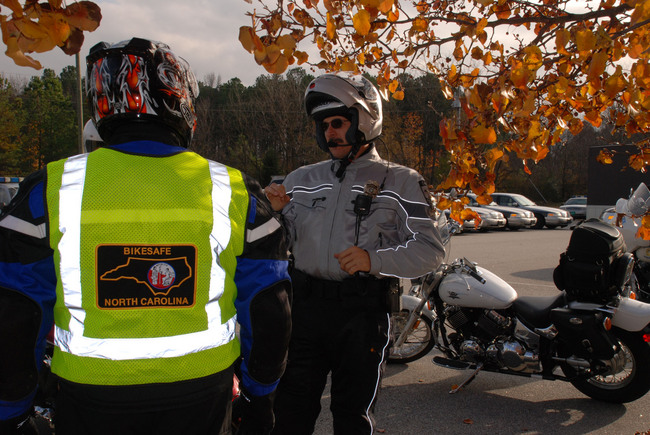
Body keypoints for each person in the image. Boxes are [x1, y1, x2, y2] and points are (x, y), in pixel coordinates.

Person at [0, 37, 291, 435]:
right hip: (202, 396)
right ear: (180, 101)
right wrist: (260, 397)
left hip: (91, 398)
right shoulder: (235, 190)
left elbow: (15, 312)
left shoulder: (49, 189)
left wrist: (13, 410)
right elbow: (270, 308)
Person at [264, 73, 445, 434]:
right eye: (323, 125)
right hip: (305, 313)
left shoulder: (401, 180)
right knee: (289, 413)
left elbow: (430, 250)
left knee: (353, 417)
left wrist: (373, 260)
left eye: (338, 122)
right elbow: (282, 245)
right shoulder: (300, 179)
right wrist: (276, 214)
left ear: (364, 120)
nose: (329, 132)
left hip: (362, 315)